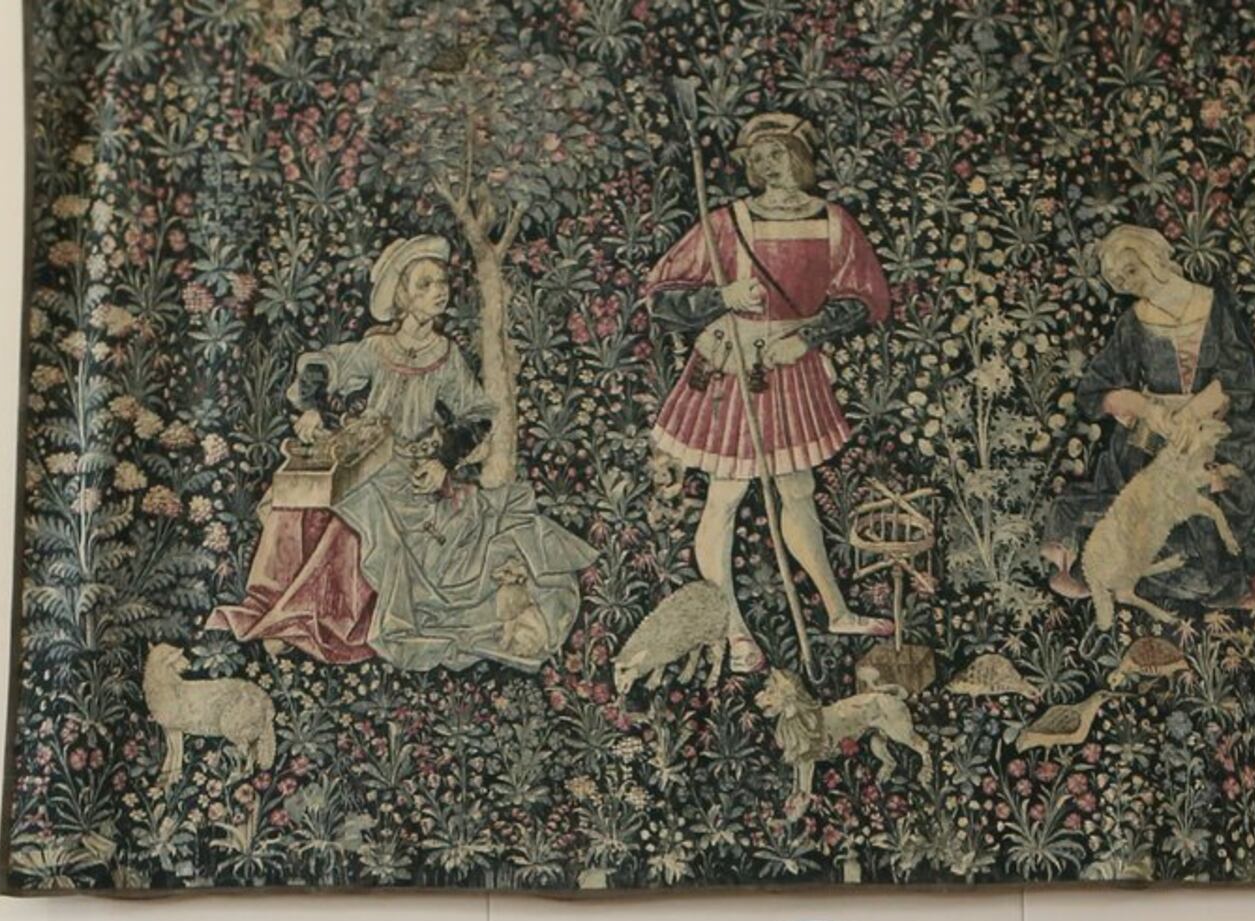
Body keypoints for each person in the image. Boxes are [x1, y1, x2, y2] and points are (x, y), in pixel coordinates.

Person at [212, 233, 593, 670]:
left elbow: (478, 413)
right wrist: (313, 408)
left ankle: (338, 624)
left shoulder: (446, 355)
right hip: (371, 458)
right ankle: (291, 616)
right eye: (425, 285)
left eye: (442, 284)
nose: (439, 292)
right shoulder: (378, 348)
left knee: (375, 517)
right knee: (315, 502)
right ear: (402, 296)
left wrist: (443, 461)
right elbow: (325, 365)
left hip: (415, 473)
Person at [640, 111, 897, 673]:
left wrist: (809, 336)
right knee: (727, 495)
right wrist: (722, 297)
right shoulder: (729, 222)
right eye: (756, 155)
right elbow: (661, 295)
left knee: (797, 487)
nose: (765, 164)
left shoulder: (833, 223)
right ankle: (731, 629)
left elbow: (865, 300)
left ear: (801, 159)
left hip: (792, 363)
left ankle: (834, 608)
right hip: (736, 366)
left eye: (776, 152)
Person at [1039, 224, 1255, 618]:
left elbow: (1241, 379)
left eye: (1130, 271)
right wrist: (1147, 408)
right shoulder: (1133, 321)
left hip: (1215, 424)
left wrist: (1196, 410)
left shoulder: (1212, 305)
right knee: (1171, 499)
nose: (1126, 283)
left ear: (1155, 257)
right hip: (1155, 441)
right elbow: (1096, 390)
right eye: (1116, 279)